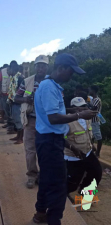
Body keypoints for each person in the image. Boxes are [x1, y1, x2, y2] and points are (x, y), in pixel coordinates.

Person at [33, 53, 97, 225]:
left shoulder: (52, 86)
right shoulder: (49, 87)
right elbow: (54, 118)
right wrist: (79, 114)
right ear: (61, 68)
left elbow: (56, 111)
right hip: (50, 141)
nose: (72, 76)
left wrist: (71, 110)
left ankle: (40, 213)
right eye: (71, 72)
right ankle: (54, 221)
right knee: (59, 186)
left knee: (47, 179)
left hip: (50, 139)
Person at [14, 55, 49, 188]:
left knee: (45, 150)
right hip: (31, 120)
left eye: (43, 65)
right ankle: (31, 175)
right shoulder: (27, 81)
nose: (40, 68)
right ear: (35, 67)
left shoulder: (51, 81)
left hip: (47, 122)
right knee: (30, 150)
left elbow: (59, 99)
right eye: (38, 65)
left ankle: (43, 175)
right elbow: (16, 97)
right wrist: (26, 99)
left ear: (47, 67)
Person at [64, 97, 102, 195]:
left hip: (87, 153)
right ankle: (61, 197)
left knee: (96, 173)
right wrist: (73, 149)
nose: (83, 108)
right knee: (72, 184)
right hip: (73, 157)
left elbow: (87, 133)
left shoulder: (87, 119)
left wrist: (91, 144)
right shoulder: (67, 121)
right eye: (79, 107)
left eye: (84, 106)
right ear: (73, 108)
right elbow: (60, 139)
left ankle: (85, 194)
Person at [7, 61, 24, 142]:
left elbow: (26, 90)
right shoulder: (13, 78)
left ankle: (21, 138)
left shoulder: (20, 78)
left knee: (19, 119)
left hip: (18, 101)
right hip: (13, 101)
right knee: (15, 118)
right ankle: (18, 135)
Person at [89, 85, 103, 157]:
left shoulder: (97, 99)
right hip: (91, 120)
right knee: (91, 136)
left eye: (90, 89)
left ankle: (97, 153)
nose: (89, 91)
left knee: (98, 137)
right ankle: (93, 150)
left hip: (95, 120)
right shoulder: (92, 99)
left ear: (93, 91)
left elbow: (93, 108)